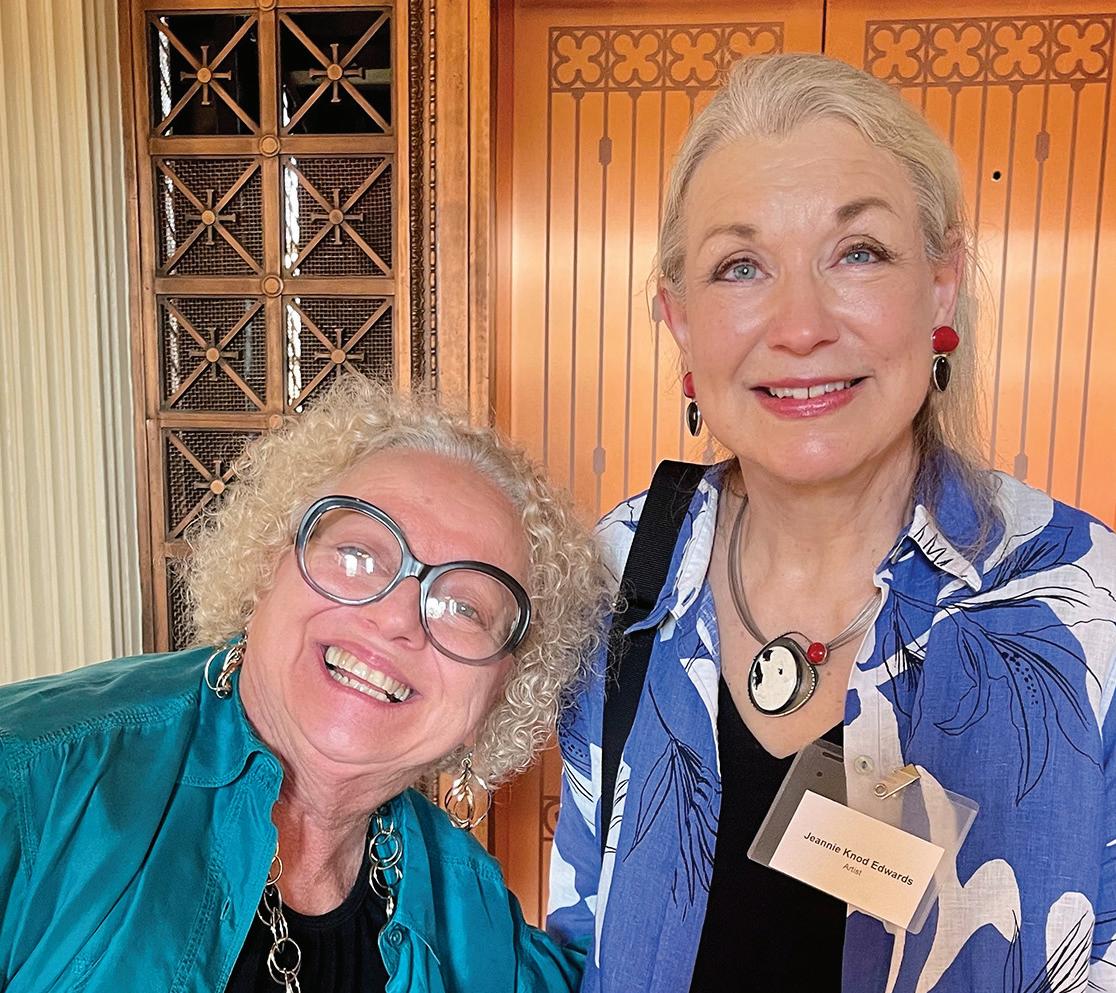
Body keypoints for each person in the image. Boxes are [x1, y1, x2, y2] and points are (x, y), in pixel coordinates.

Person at [546, 52, 1116, 992]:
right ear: (680, 321)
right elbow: (579, 931)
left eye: (858, 253)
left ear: (941, 284)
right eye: (740, 267)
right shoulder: (617, 570)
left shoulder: (1085, 608)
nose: (801, 325)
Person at [0, 376, 609, 993]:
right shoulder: (32, 782)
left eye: (464, 608)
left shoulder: (469, 904)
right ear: (267, 561)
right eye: (358, 556)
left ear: (504, 687)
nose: (396, 619)